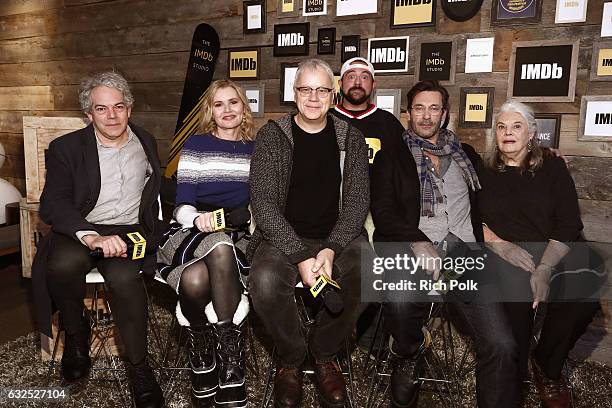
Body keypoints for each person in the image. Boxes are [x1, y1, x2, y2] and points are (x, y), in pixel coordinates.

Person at [370, 80, 520, 408]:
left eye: (434, 108)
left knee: (502, 344)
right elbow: (383, 211)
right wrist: (417, 241)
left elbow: (500, 183)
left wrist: (542, 158)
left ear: (445, 113)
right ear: (408, 113)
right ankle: (409, 351)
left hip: (464, 255)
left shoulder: (465, 155)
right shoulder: (390, 156)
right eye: (419, 108)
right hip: (409, 248)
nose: (426, 116)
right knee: (398, 299)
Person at [32, 72, 164, 408]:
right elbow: (53, 202)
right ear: (88, 114)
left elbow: (158, 190)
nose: (112, 116)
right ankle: (77, 333)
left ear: (129, 109)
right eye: (102, 109)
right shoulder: (66, 148)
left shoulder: (146, 142)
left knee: (125, 278)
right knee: (62, 263)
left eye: (119, 107)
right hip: (80, 227)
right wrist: (90, 235)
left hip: (126, 230)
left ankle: (138, 366)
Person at [248, 58, 372, 408]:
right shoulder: (273, 135)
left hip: (339, 236)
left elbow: (357, 203)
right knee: (266, 282)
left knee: (368, 272)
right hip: (282, 236)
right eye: (306, 89)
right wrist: (300, 254)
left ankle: (323, 353)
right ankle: (290, 357)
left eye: (321, 90)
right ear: (294, 93)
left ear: (333, 95)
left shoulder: (352, 137)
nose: (313, 97)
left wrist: (331, 249)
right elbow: (264, 205)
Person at [478, 99, 600, 408]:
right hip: (507, 257)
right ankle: (511, 391)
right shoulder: (482, 170)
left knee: (583, 296)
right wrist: (499, 245)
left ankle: (548, 366)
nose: (508, 133)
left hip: (554, 250)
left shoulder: (552, 166)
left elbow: (569, 223)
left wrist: (544, 268)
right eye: (502, 127)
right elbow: (468, 219)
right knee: (515, 319)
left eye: (516, 126)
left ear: (532, 132)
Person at [156, 79, 254, 407]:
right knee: (218, 245)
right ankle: (230, 365)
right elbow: (182, 202)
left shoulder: (256, 149)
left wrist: (237, 219)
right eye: (219, 104)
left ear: (244, 107)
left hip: (238, 231)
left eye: (233, 102)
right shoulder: (196, 145)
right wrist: (196, 218)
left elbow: (259, 204)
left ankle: (209, 357)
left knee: (198, 278)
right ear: (210, 111)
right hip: (191, 229)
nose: (227, 110)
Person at [330, 56, 406, 353]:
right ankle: (326, 333)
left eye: (364, 76)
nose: (357, 82)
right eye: (351, 76)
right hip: (333, 209)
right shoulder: (325, 117)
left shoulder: (387, 122)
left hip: (377, 212)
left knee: (378, 266)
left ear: (373, 85)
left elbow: (416, 154)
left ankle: (369, 338)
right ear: (341, 84)